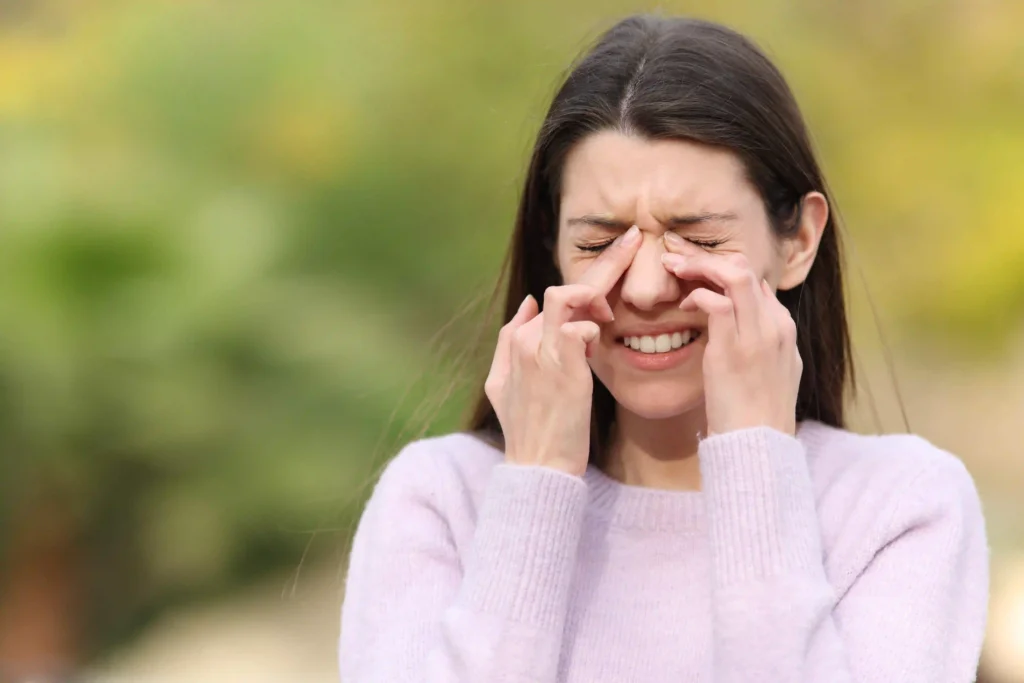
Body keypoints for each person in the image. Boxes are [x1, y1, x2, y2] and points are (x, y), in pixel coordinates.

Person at [338, 14, 989, 683]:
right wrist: (535, 484)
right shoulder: (443, 501)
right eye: (598, 243)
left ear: (797, 240)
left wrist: (755, 460)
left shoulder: (900, 507)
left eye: (699, 239)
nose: (645, 288)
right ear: (551, 247)